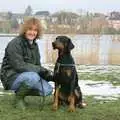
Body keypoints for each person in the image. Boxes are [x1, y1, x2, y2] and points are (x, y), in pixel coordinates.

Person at [0, 17, 53, 110]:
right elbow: (18, 66)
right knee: (33, 77)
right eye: (30, 29)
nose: (32, 32)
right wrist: (40, 70)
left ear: (38, 32)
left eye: (35, 30)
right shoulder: (15, 43)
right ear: (25, 30)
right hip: (11, 77)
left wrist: (49, 75)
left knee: (48, 90)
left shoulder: (34, 46)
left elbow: (37, 66)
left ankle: (21, 92)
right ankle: (18, 99)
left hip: (28, 76)